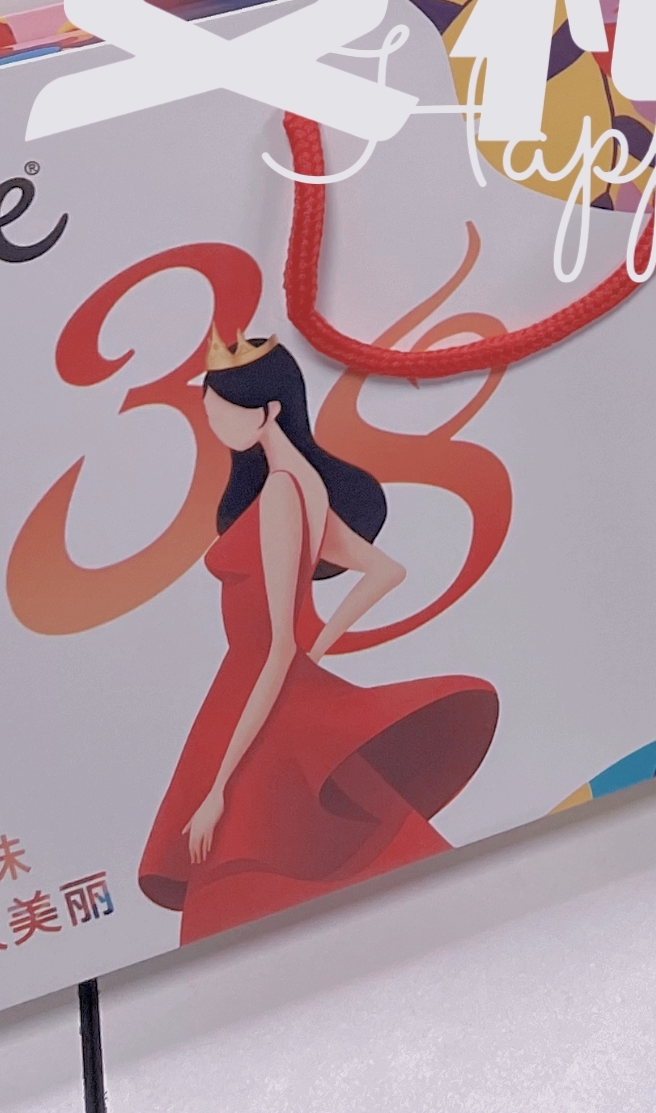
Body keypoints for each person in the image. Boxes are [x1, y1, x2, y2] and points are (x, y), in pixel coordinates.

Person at [138, 335, 498, 939]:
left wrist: (220, 786)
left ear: (268, 410)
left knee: (256, 856)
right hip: (266, 680)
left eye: (221, 412)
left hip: (260, 684)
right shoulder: (300, 485)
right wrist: (318, 647)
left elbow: (280, 642)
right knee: (323, 841)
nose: (214, 424)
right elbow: (385, 571)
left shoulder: (283, 492)